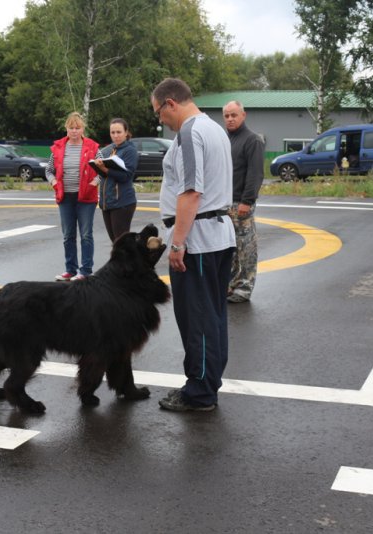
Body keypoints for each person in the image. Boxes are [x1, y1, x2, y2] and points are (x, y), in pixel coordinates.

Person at [152, 78, 236, 412]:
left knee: (198, 318)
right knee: (213, 315)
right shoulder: (214, 129)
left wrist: (177, 245)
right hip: (217, 233)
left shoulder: (189, 132)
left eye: (159, 112)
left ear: (170, 103)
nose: (160, 119)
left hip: (198, 238)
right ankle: (206, 382)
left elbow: (191, 192)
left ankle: (199, 392)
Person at [46, 112, 101, 281]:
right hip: (65, 197)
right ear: (66, 129)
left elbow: (103, 168)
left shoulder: (93, 147)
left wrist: (95, 181)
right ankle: (70, 269)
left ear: (83, 129)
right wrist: (53, 182)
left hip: (86, 197)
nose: (74, 131)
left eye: (77, 128)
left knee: (86, 234)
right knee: (68, 235)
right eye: (71, 128)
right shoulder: (58, 147)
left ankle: (85, 271)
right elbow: (49, 170)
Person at [222, 100, 264, 303]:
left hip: (241, 204)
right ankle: (230, 285)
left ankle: (244, 288)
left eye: (234, 115)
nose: (230, 119)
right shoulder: (225, 140)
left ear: (243, 115)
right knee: (229, 250)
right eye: (227, 116)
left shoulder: (252, 140)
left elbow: (255, 174)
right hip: (224, 204)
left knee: (245, 249)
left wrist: (247, 201)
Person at [92, 118, 138, 242]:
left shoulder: (130, 150)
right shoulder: (110, 149)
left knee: (121, 244)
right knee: (115, 242)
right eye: (113, 132)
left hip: (122, 203)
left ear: (126, 132)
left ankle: (129, 262)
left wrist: (105, 169)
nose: (115, 135)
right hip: (107, 202)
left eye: (119, 132)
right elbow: (104, 176)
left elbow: (126, 176)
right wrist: (97, 167)